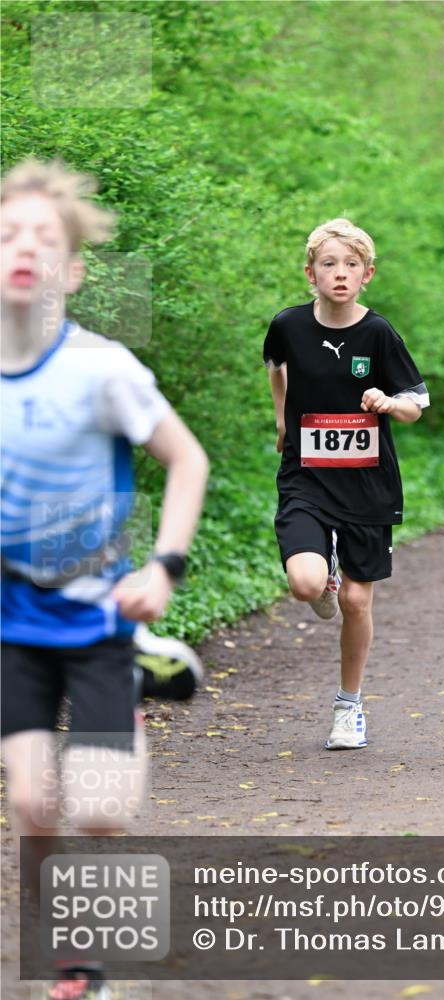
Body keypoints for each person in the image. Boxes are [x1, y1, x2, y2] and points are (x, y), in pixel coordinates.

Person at [0, 158, 209, 1000]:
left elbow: (185, 459)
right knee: (33, 805)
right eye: (7, 234)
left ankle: (133, 669)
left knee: (99, 810)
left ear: (73, 271)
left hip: (97, 618)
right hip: (12, 622)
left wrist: (165, 566)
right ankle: (72, 955)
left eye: (44, 239)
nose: (24, 248)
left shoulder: (103, 368)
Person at [264, 218, 429, 750]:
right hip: (306, 477)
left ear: (367, 274)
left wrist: (388, 402)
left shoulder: (378, 334)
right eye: (329, 264)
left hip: (366, 484)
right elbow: (275, 366)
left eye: (351, 265)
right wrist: (282, 420)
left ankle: (348, 707)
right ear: (310, 273)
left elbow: (416, 406)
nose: (340, 274)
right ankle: (323, 573)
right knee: (306, 584)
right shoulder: (288, 325)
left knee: (358, 603)